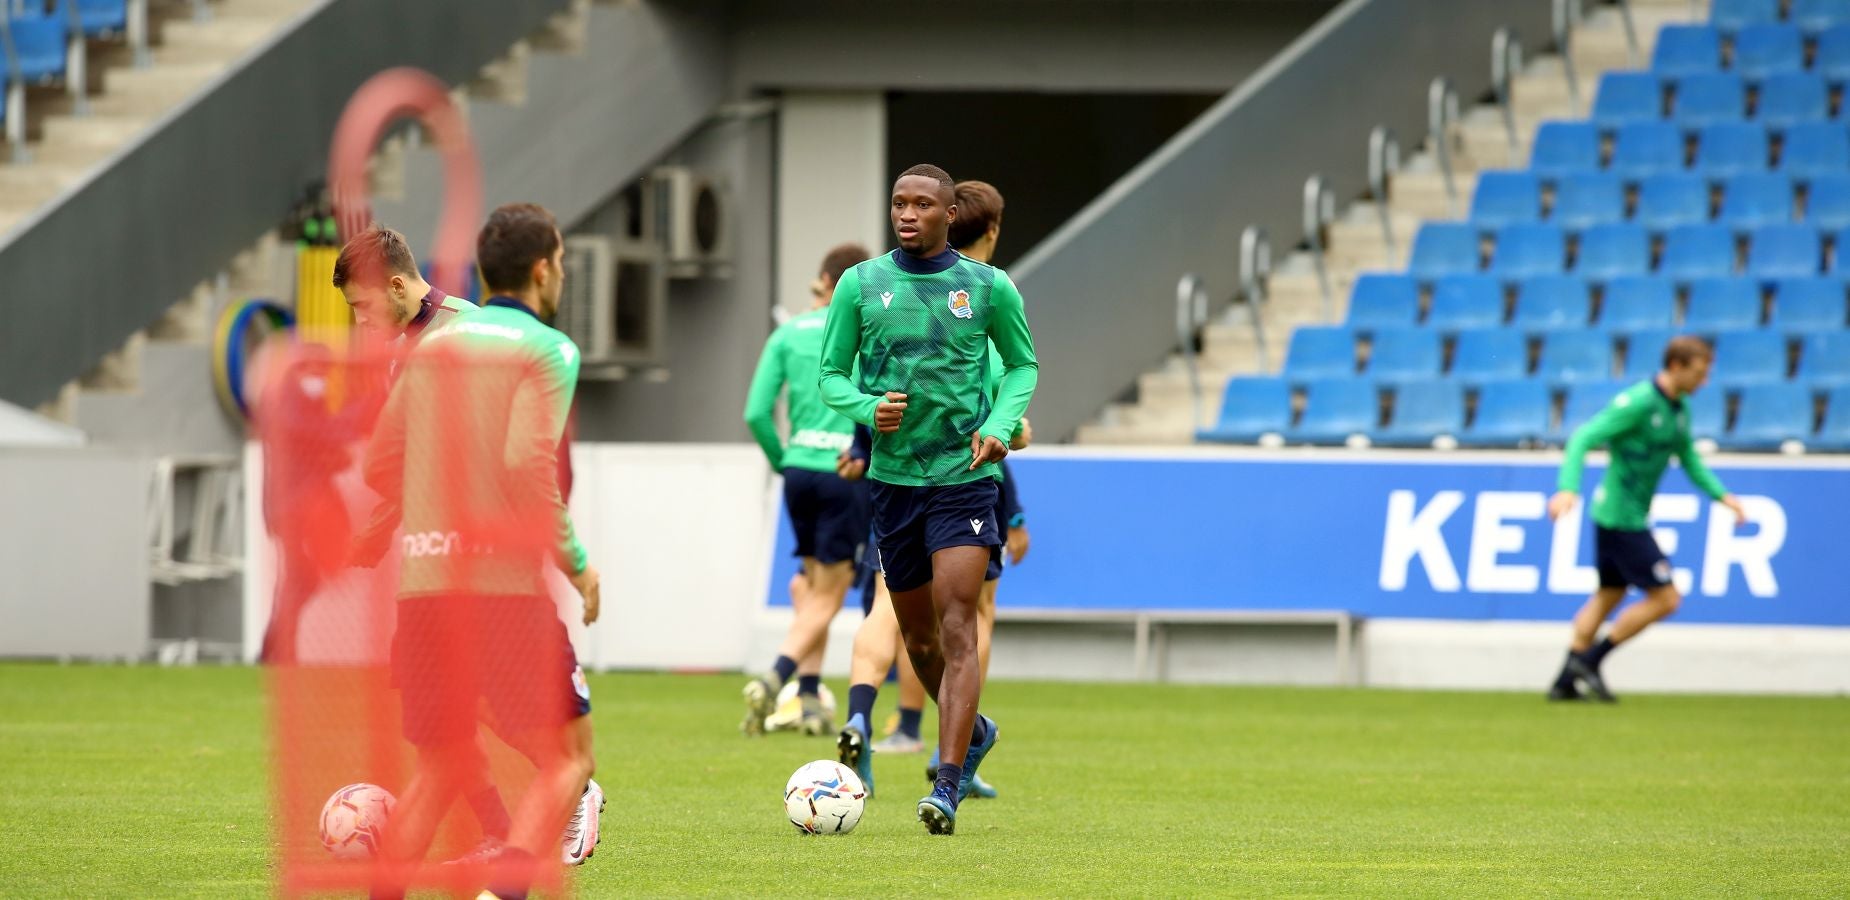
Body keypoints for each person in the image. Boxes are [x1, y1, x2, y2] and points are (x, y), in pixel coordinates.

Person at [331, 225, 602, 868]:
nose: (362, 323)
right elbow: (410, 460)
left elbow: (512, 458)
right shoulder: (411, 346)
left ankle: (571, 788)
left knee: (476, 711)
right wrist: (379, 531)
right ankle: (504, 829)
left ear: (398, 285)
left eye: (363, 307)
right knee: (447, 724)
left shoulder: (467, 333)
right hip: (434, 563)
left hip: (486, 568)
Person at [819, 164, 1038, 835]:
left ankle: (946, 784)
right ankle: (975, 732)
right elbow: (831, 376)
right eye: (898, 203)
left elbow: (1022, 366)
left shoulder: (989, 287)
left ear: (949, 213)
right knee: (917, 637)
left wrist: (999, 425)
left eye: (921, 204)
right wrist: (865, 408)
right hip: (893, 486)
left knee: (957, 622)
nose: (907, 214)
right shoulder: (860, 285)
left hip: (964, 481)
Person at [1547, 335, 1748, 703]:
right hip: (1622, 520)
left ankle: (1564, 681)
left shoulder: (1680, 408)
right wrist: (1567, 488)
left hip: (1621, 516)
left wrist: (1722, 496)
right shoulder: (1639, 402)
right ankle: (1590, 661)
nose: (1704, 382)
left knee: (1608, 595)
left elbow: (1688, 458)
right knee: (1667, 599)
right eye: (1699, 373)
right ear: (1676, 366)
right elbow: (1582, 438)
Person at [739, 243, 874, 737]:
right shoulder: (864, 333)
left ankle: (811, 697)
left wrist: (786, 461)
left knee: (810, 586)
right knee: (831, 594)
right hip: (846, 470)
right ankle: (776, 677)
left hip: (799, 470)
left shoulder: (787, 333)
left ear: (822, 280)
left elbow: (756, 412)